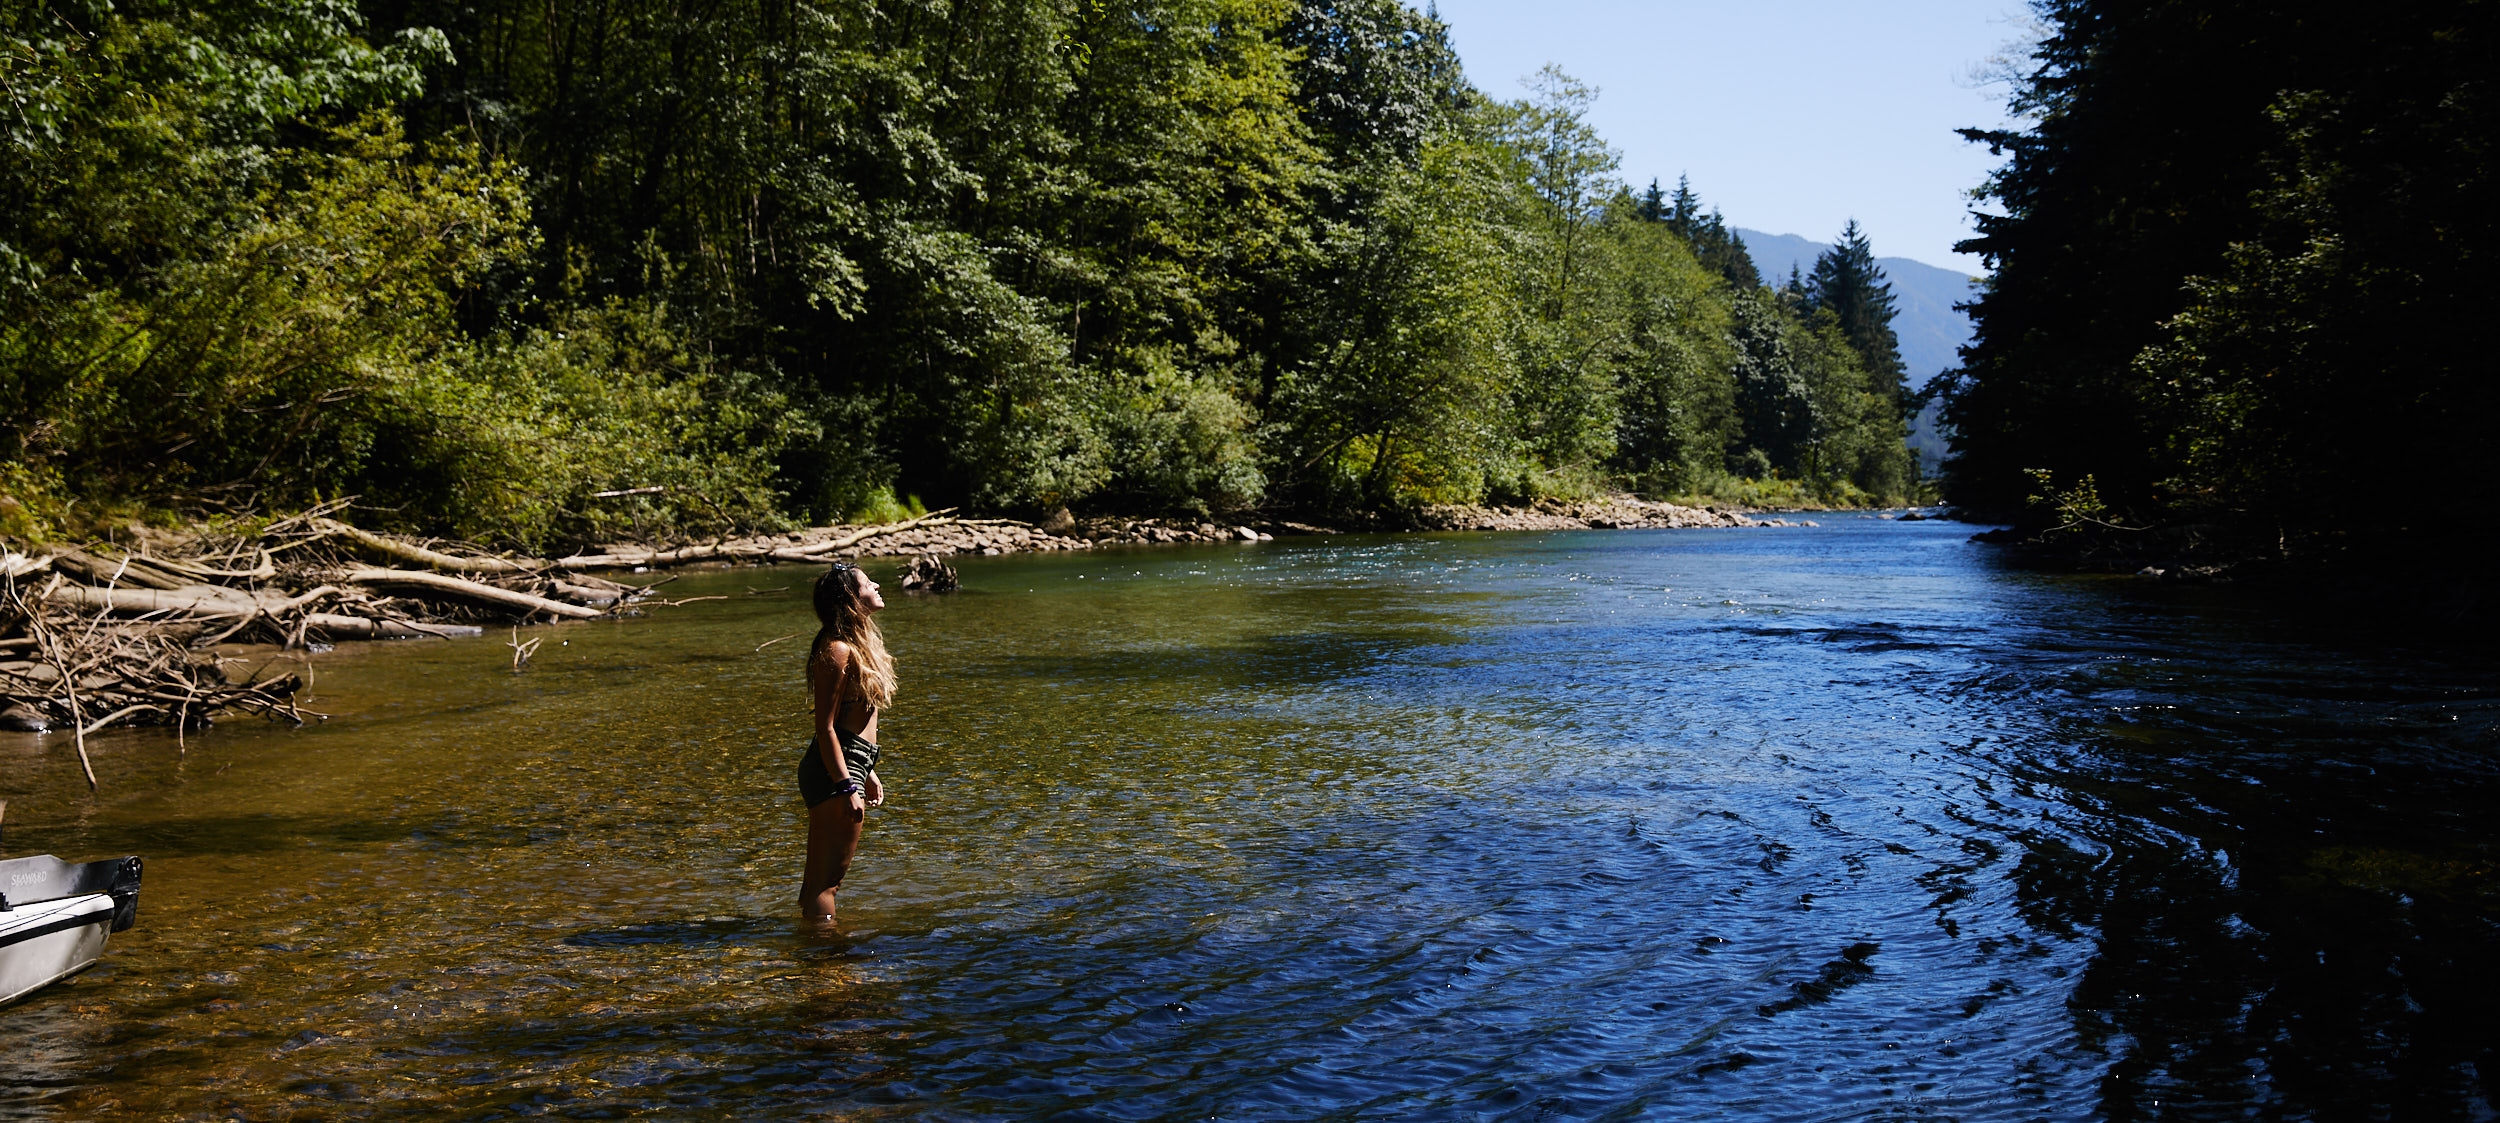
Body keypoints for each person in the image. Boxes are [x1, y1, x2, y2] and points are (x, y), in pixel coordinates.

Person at [796, 561, 894, 922]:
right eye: (869, 583)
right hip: (834, 772)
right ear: (851, 598)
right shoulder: (838, 650)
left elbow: (852, 722)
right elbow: (826, 727)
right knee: (827, 883)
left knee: (817, 882)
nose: (877, 586)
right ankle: (828, 964)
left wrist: (866, 769)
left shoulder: (858, 645)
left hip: (849, 762)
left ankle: (808, 954)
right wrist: (846, 784)